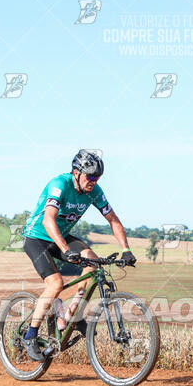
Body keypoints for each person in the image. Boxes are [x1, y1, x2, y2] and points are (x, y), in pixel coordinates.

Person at [21, 150, 136, 361]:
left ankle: (70, 315)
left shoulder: (94, 191)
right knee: (55, 284)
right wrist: (66, 250)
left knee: (93, 262)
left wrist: (126, 249)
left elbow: (113, 219)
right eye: (90, 176)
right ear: (76, 172)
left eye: (97, 177)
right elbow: (48, 220)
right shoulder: (60, 184)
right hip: (37, 237)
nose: (93, 181)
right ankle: (30, 334)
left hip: (61, 236)